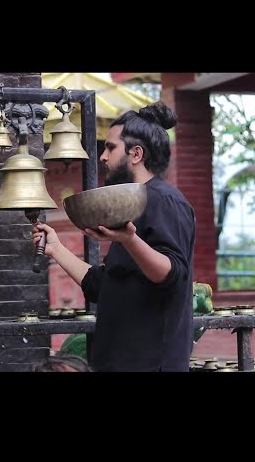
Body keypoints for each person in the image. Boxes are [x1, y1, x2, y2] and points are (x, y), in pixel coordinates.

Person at [33, 101, 196, 372]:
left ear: (136, 154)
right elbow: (103, 286)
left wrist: (130, 240)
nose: (103, 158)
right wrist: (56, 249)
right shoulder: (130, 207)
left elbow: (172, 276)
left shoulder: (164, 201)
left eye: (110, 148)